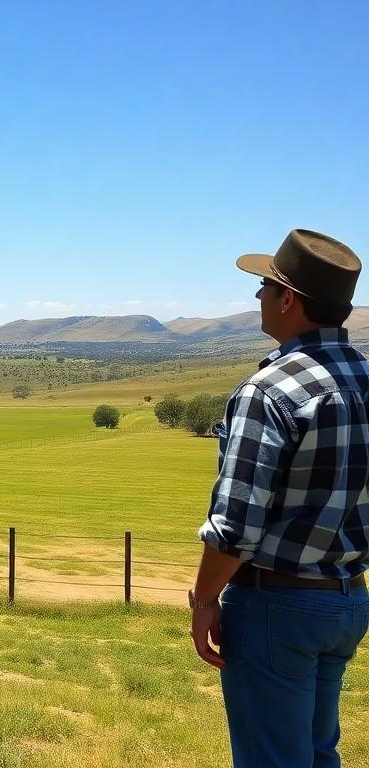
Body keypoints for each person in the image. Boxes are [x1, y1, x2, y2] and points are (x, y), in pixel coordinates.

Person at [191, 228, 369, 767]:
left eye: (265, 287)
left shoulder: (269, 391)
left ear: (289, 298)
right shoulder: (364, 378)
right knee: (318, 755)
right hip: (348, 598)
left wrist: (203, 602)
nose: (258, 298)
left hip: (276, 604)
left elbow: (235, 525)